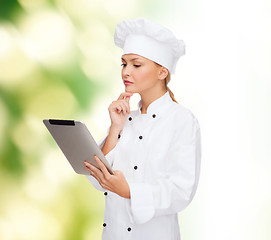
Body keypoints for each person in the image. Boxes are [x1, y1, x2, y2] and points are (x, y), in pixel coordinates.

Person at [84, 17, 201, 240]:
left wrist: (129, 191)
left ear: (162, 72)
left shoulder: (182, 120)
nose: (126, 72)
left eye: (136, 64)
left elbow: (181, 191)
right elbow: (98, 177)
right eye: (124, 64)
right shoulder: (126, 118)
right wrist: (115, 128)